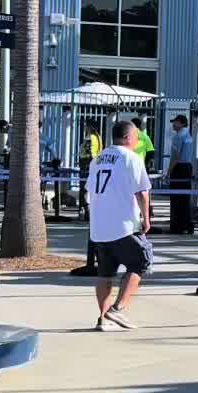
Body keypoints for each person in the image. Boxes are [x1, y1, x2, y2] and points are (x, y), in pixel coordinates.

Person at [87, 118, 152, 330]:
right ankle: (118, 309)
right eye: (135, 137)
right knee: (142, 261)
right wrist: (146, 218)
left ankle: (102, 318)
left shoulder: (97, 159)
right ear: (127, 137)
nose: (136, 141)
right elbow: (142, 191)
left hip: (99, 226)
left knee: (105, 273)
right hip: (123, 224)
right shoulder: (131, 158)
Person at [167, 115, 195, 236]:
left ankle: (177, 226)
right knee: (185, 197)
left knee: (176, 198)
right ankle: (187, 224)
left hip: (179, 168)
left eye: (176, 122)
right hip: (187, 167)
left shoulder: (178, 136)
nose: (173, 124)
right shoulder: (188, 136)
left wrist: (169, 172)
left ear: (182, 123)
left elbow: (175, 156)